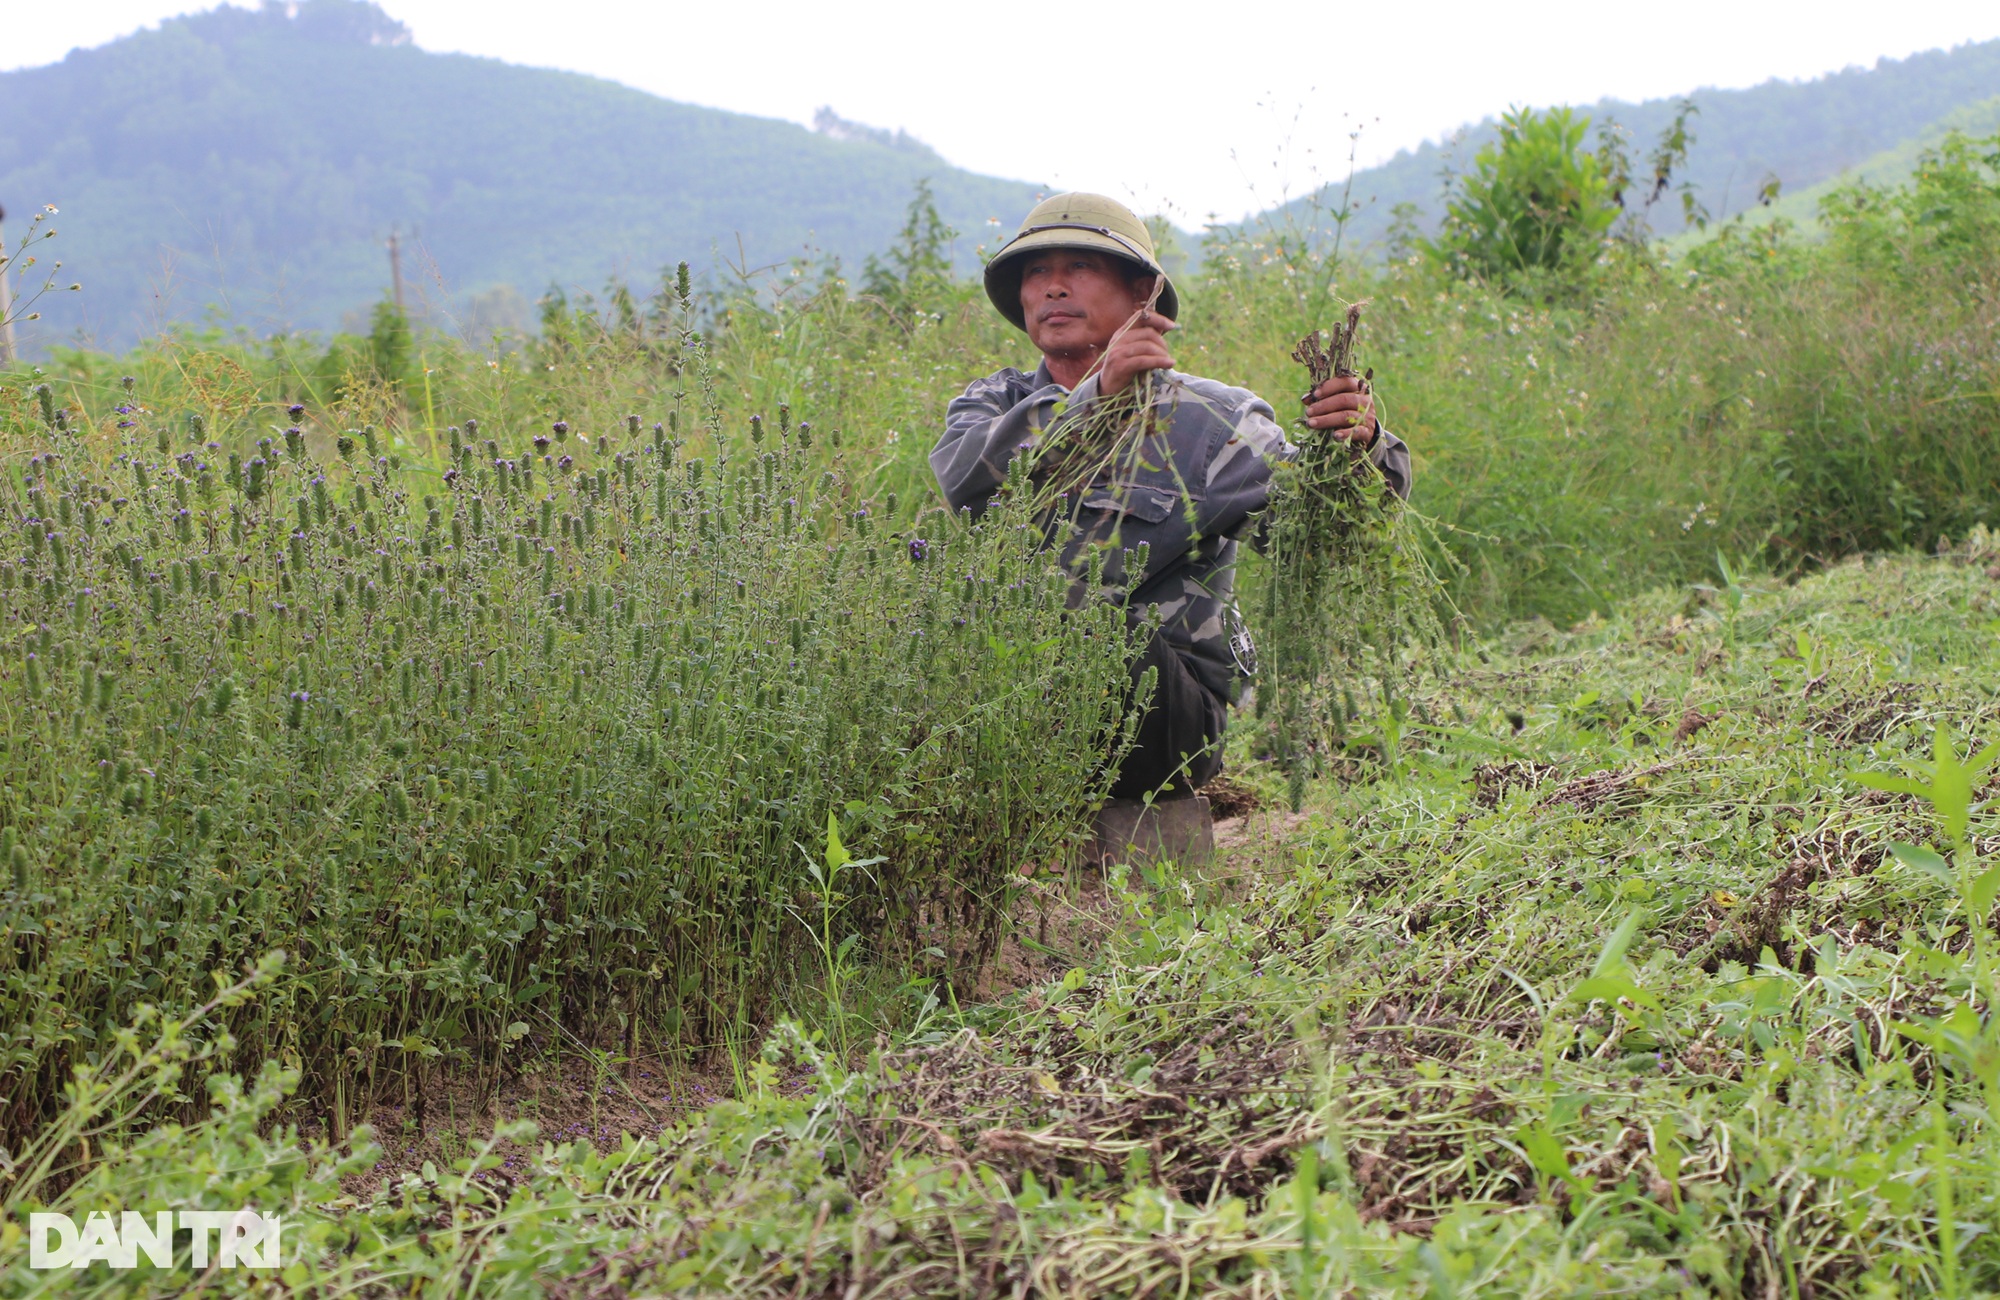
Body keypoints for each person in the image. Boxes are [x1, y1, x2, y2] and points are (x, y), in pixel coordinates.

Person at [930, 193, 1410, 846]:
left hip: (1162, 714)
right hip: (1017, 691)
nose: (1054, 288)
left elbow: (1326, 538)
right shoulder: (995, 404)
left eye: (1081, 267)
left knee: (1061, 599)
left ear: (1141, 297)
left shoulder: (1208, 420)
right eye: (1037, 272)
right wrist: (1092, 402)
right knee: (910, 575)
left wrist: (1360, 448)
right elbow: (968, 485)